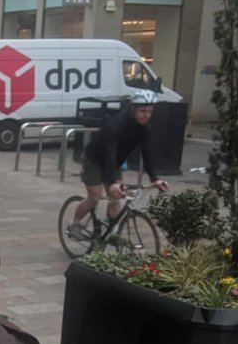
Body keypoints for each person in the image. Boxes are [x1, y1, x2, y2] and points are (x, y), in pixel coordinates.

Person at [67, 90, 168, 239]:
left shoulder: (144, 127)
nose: (146, 115)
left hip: (115, 162)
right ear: (133, 109)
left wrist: (155, 179)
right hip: (95, 160)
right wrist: (112, 182)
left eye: (150, 111)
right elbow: (110, 152)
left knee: (116, 197)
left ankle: (112, 232)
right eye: (142, 111)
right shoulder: (116, 124)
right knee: (95, 197)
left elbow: (146, 153)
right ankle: (74, 224)